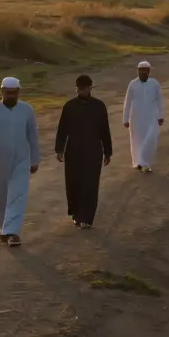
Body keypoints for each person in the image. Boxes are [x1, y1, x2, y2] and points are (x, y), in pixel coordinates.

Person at [0, 76, 41, 247]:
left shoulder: (27, 110)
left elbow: (33, 137)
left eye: (15, 93)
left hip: (21, 159)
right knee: (1, 197)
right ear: (2, 92)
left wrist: (35, 159)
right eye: (8, 93)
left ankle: (13, 232)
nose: (12, 96)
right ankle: (4, 231)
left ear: (19, 92)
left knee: (18, 195)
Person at [54, 75, 112, 229]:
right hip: (73, 151)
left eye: (87, 88)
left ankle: (86, 217)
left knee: (91, 185)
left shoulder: (99, 106)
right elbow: (62, 130)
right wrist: (59, 149)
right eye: (81, 89)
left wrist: (108, 151)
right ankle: (76, 214)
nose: (84, 91)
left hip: (93, 151)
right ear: (77, 89)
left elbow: (105, 130)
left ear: (90, 88)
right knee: (74, 183)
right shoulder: (69, 107)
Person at [123, 61, 164, 173]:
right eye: (140, 70)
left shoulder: (155, 84)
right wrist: (125, 119)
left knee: (151, 139)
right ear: (138, 71)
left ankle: (144, 162)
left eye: (145, 70)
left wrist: (161, 115)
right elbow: (127, 102)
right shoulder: (132, 84)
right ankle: (140, 163)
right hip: (136, 117)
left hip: (151, 117)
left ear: (149, 71)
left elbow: (160, 100)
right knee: (137, 140)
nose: (142, 73)